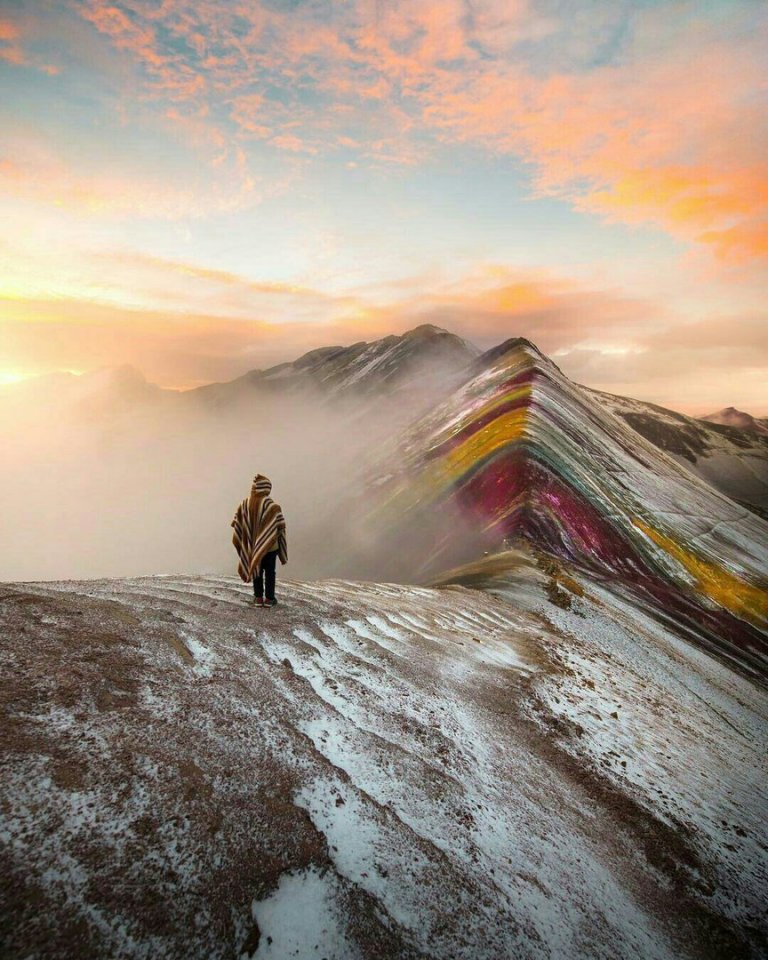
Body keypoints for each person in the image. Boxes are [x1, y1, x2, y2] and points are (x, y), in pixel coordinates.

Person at [231, 473, 288, 607]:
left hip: (252, 545)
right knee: (269, 572)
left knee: (256, 569)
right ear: (266, 488)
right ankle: (269, 599)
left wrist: (248, 537)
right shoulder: (273, 506)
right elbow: (280, 527)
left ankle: (258, 598)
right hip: (271, 547)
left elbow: (236, 523)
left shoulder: (244, 504)